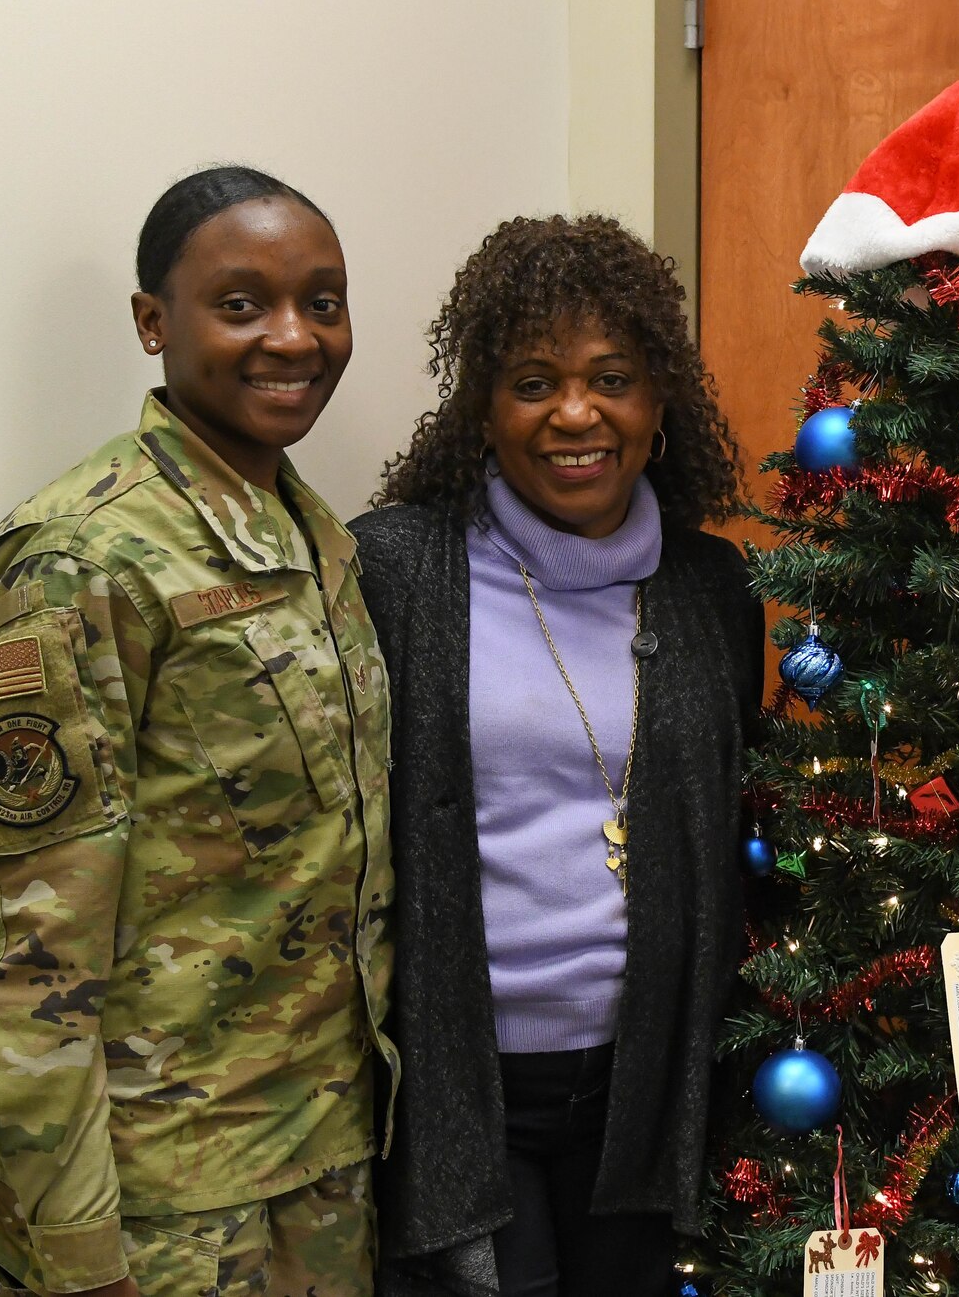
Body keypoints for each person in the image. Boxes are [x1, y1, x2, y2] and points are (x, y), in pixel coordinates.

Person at [0, 166, 398, 1297]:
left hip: (319, 1163)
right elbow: (22, 951)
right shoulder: (83, 560)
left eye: (322, 301)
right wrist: (78, 1254)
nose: (293, 337)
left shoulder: (313, 538)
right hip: (157, 1207)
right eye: (242, 304)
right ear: (154, 323)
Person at [352, 215, 761, 1297]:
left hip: (642, 1089)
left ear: (658, 402)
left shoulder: (714, 589)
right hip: (461, 1087)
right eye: (532, 381)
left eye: (611, 378)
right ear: (481, 409)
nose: (574, 412)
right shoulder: (394, 571)